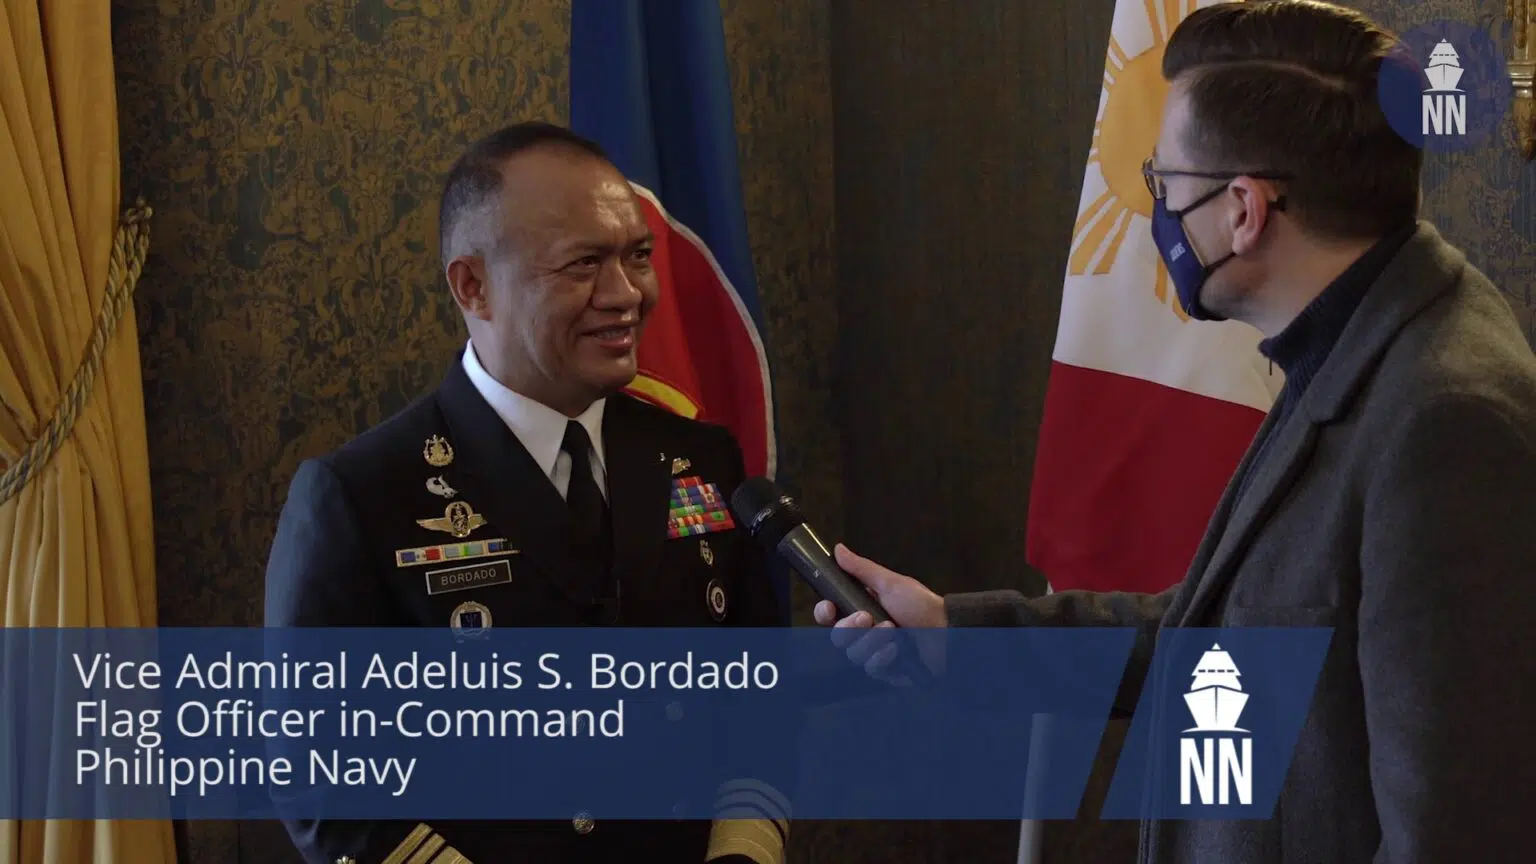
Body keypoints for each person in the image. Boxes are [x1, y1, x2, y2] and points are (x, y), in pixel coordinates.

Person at [816, 2, 1536, 862]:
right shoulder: (1357, 337)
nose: (1157, 209)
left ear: (1244, 210)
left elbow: (1457, 835)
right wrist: (952, 635)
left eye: (1164, 182)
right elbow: (1223, 635)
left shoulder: (1446, 421)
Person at [264, 122, 788, 864]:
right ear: (473, 286)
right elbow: (326, 781)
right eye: (583, 264)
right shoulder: (362, 495)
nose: (627, 294)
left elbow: (758, 700)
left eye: (638, 256)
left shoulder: (702, 457)